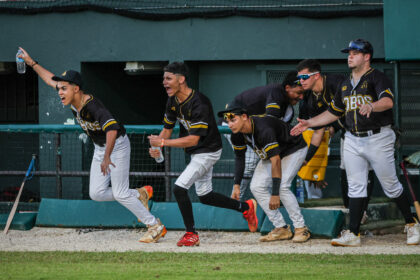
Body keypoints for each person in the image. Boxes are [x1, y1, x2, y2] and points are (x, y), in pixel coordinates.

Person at [18, 47, 166, 243]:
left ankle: (155, 225)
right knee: (96, 193)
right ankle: (140, 194)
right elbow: (48, 79)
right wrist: (30, 62)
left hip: (117, 146)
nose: (60, 92)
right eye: (60, 88)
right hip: (100, 147)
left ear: (76, 88)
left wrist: (107, 157)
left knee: (120, 192)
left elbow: (112, 129)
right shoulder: (72, 100)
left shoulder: (92, 106)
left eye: (64, 88)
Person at [291, 39, 420, 246]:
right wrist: (309, 123)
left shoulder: (377, 77)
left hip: (378, 137)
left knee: (391, 186)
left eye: (355, 53)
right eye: (349, 53)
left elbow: (388, 101)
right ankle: (353, 233)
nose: (350, 56)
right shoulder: (345, 83)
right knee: (355, 187)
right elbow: (334, 112)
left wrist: (372, 106)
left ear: (366, 56)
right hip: (352, 138)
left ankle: (412, 224)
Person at [148, 62, 258, 247]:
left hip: (208, 151)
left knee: (179, 188)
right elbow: (167, 129)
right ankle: (246, 207)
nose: (164, 82)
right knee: (205, 196)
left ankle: (191, 234)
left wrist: (163, 143)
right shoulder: (172, 100)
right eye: (163, 79)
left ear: (181, 79)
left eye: (168, 78)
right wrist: (157, 148)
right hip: (197, 152)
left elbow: (193, 140)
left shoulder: (200, 102)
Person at [218, 105, 311, 243]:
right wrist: (236, 184)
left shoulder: (263, 129)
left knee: (283, 187)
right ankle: (281, 228)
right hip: (272, 155)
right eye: (228, 121)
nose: (230, 124)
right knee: (256, 186)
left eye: (233, 120)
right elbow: (239, 158)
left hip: (293, 149)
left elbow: (276, 161)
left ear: (244, 117)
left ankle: (301, 228)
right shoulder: (236, 134)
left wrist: (274, 194)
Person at [297, 59, 374, 217]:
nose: (301, 82)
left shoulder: (337, 83)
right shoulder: (310, 100)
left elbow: (352, 109)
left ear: (317, 76)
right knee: (346, 171)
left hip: (371, 130)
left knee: (384, 178)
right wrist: (306, 159)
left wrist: (334, 126)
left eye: (304, 77)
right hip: (349, 134)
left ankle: (406, 220)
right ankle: (354, 213)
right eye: (299, 78)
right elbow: (318, 132)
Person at [223, 71, 305, 201]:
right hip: (233, 121)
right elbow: (270, 122)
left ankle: (268, 196)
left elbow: (273, 129)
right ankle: (236, 200)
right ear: (287, 88)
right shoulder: (276, 91)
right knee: (250, 161)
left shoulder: (288, 109)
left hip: (253, 128)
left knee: (270, 157)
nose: (301, 97)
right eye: (299, 92)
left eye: (303, 93)